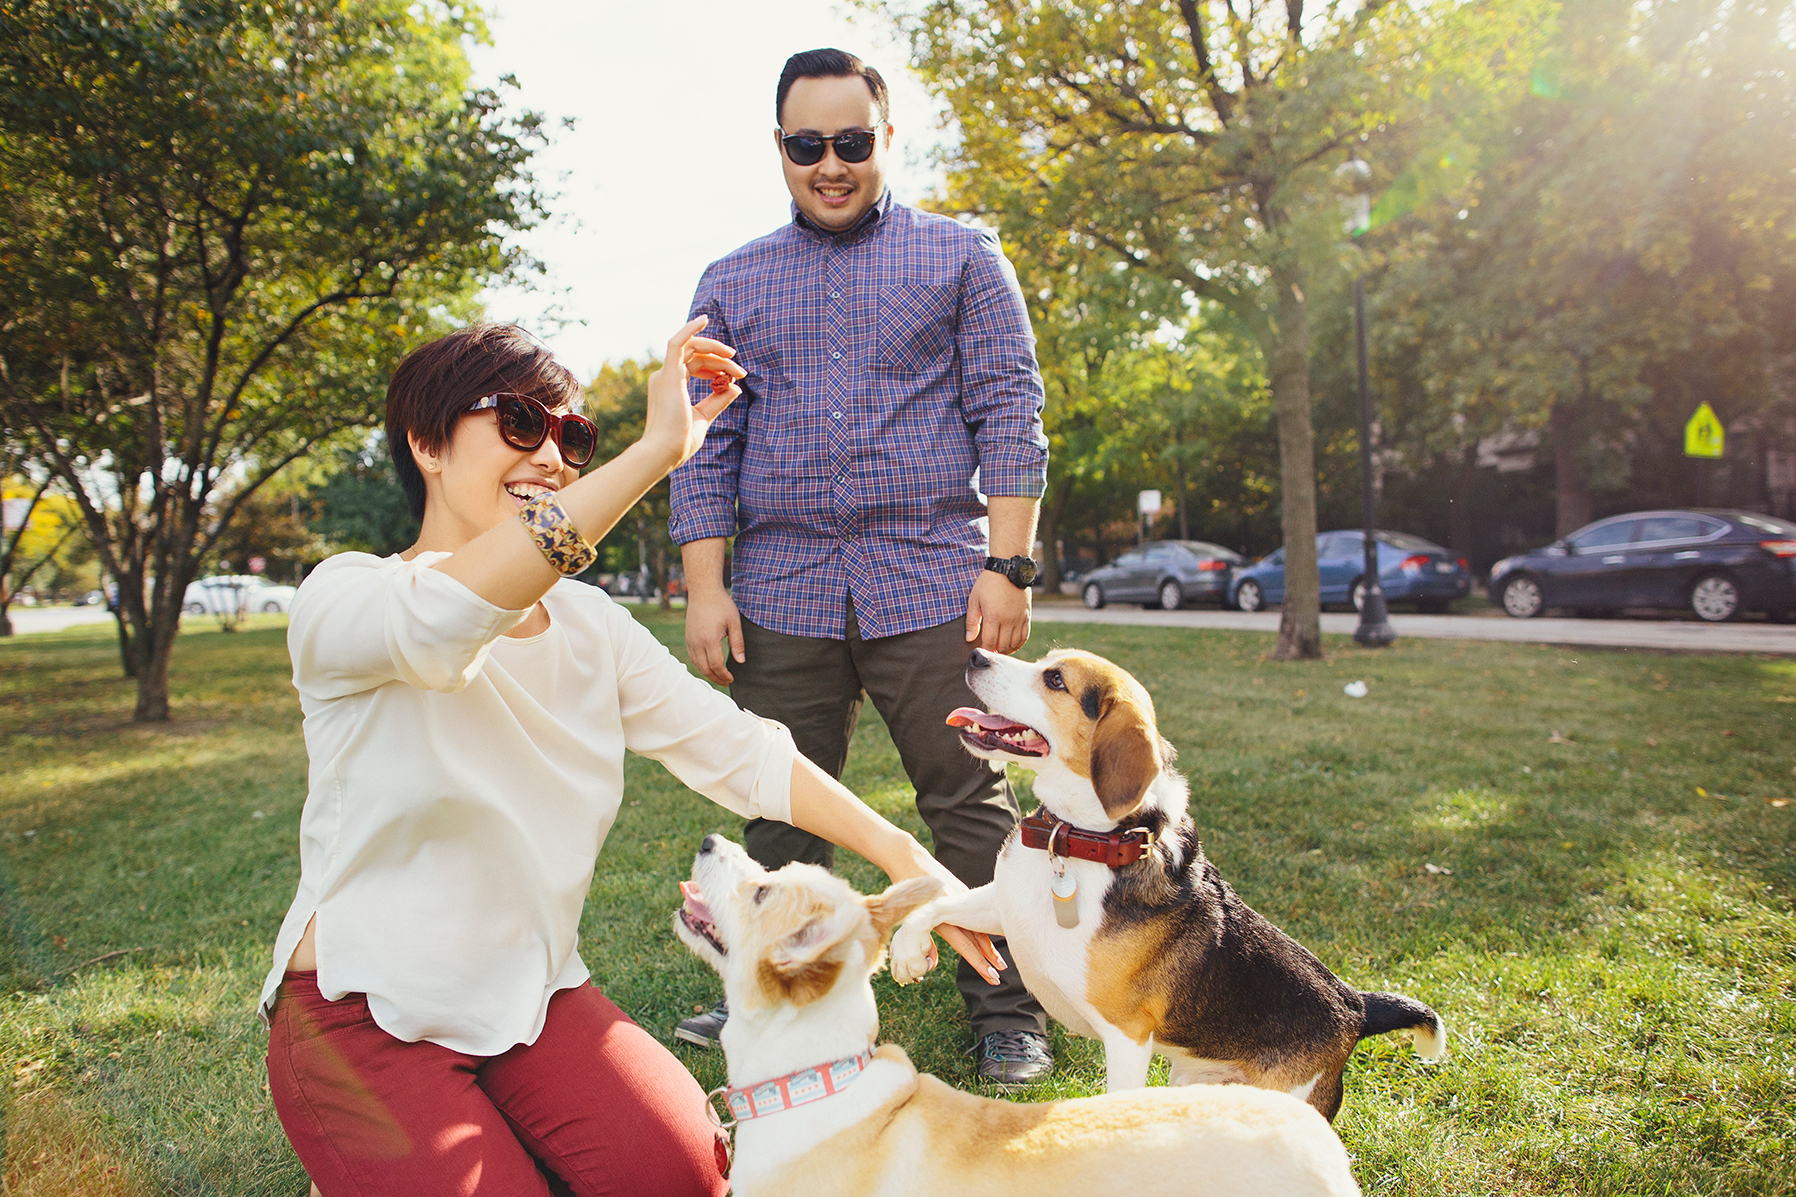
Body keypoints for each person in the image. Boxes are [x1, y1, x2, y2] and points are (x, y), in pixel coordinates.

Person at [260, 319, 1002, 1196]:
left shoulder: (590, 625)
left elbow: (741, 753)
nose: (553, 457)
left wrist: (906, 856)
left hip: (533, 1001)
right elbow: (442, 631)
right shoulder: (346, 599)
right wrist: (660, 450)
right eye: (521, 424)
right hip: (362, 1017)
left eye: (571, 437)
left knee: (686, 1177)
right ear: (426, 442)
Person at [669, 48, 1054, 1086]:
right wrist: (706, 589)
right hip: (782, 584)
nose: (828, 165)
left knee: (966, 801)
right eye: (807, 145)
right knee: (778, 799)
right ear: (781, 147)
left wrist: (1006, 566)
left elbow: (1008, 411)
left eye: (850, 142)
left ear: (886, 139)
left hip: (928, 572)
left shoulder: (963, 259)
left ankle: (1006, 1006)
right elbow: (705, 444)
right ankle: (768, 988)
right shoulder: (731, 282)